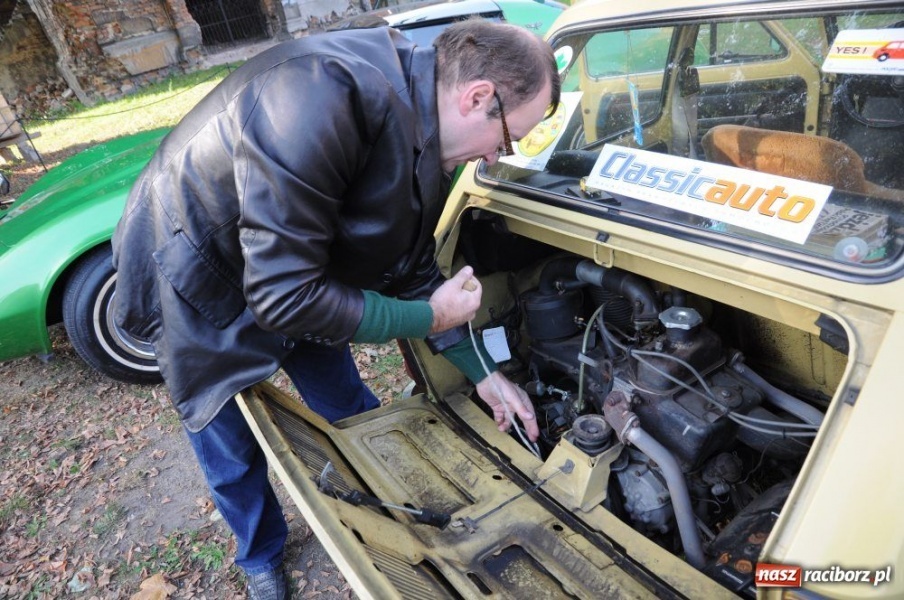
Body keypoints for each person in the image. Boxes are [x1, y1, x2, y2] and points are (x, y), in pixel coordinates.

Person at [112, 19, 560, 600]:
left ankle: (375, 506)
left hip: (296, 269)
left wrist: (486, 375)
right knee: (229, 443)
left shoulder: (426, 117)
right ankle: (260, 556)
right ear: (478, 97)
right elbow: (285, 298)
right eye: (506, 139)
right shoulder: (318, 95)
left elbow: (412, 263)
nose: (497, 159)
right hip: (199, 275)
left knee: (347, 403)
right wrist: (430, 319)